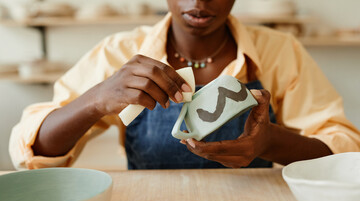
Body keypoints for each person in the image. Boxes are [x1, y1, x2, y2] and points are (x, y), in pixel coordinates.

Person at [10, 0, 360, 170]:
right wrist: (96, 100)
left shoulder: (280, 51)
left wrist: (271, 142)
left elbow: (346, 153)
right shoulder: (119, 52)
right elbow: (30, 150)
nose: (200, 0)